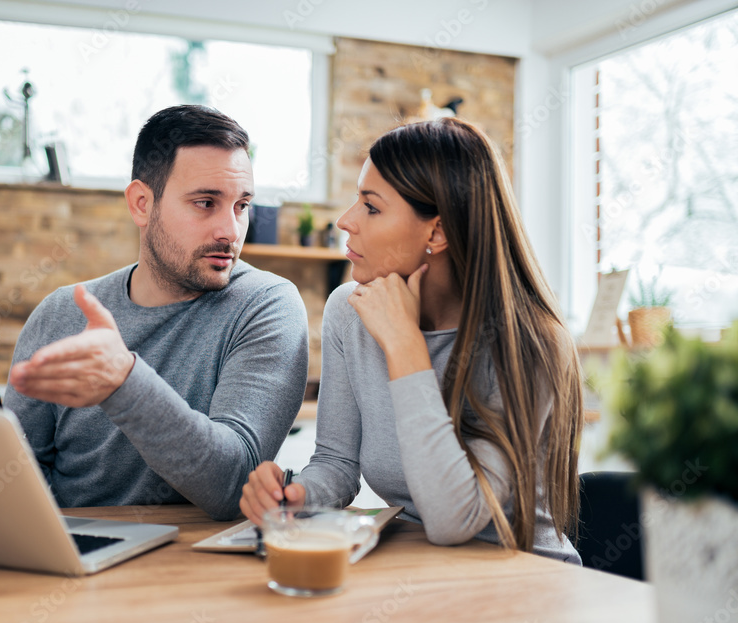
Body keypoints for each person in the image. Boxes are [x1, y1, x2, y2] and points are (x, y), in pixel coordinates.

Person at [240, 117, 583, 563]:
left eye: (371, 206)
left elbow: (455, 520)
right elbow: (337, 465)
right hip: (421, 569)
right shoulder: (350, 311)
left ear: (436, 233)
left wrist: (405, 346)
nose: (346, 221)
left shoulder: (532, 343)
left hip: (526, 580)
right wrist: (296, 494)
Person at [5, 105, 309, 521]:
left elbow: (233, 482)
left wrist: (123, 379)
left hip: (191, 567)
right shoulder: (62, 313)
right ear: (142, 204)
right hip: (71, 552)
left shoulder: (266, 306)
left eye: (241, 206)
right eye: (206, 203)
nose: (231, 231)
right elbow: (17, 473)